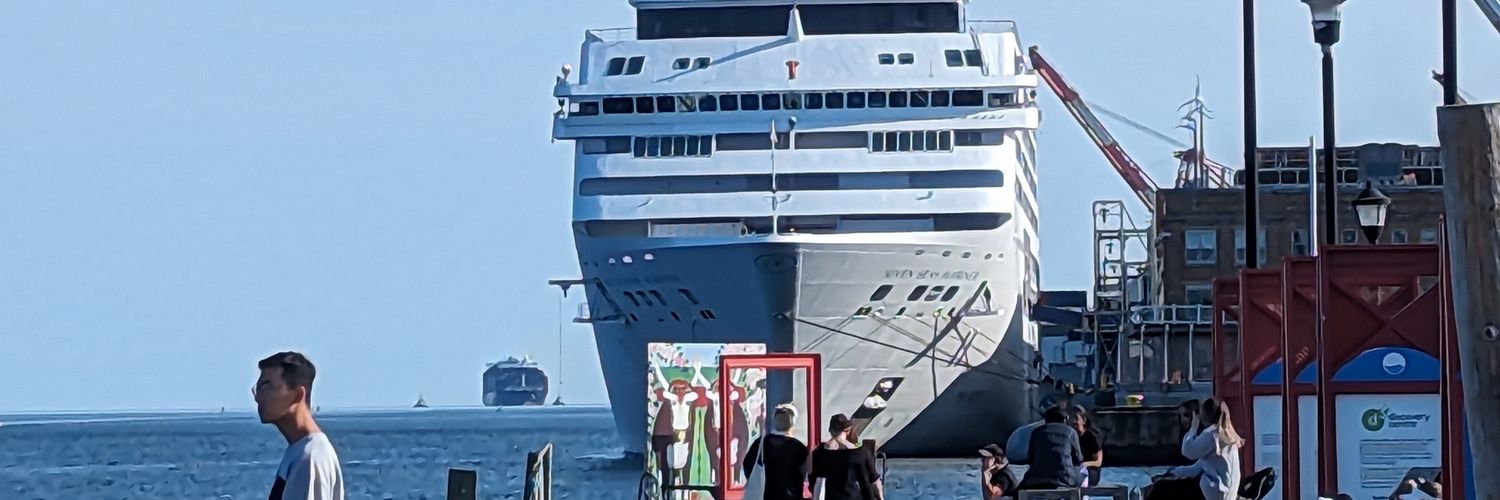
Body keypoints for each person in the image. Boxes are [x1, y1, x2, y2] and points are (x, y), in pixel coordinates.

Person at [254, 351, 345, 500]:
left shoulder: (311, 457)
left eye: (267, 387)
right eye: (258, 389)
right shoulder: (301, 451)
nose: (258, 398)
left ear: (297, 395)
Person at [1160, 398, 1243, 500]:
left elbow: (1187, 451)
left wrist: (1193, 427)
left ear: (1203, 416)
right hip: (1227, 494)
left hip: (1218, 493)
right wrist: (1171, 474)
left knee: (1179, 488)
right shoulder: (1225, 434)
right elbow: (1197, 467)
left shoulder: (1211, 435)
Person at [742, 404, 809, 500]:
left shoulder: (762, 443)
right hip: (791, 495)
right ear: (791, 423)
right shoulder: (798, 446)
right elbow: (803, 472)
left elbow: (748, 465)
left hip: (765, 494)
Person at [810, 414, 883, 500]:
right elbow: (874, 482)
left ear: (831, 431)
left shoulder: (819, 453)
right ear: (848, 430)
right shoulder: (860, 453)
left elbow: (813, 481)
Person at [1018, 406, 1083, 491]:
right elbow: (1078, 460)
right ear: (1065, 419)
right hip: (1065, 480)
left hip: (1036, 480)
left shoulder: (1036, 432)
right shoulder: (1071, 432)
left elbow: (1031, 457)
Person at [1067, 407, 1104, 487]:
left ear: (1083, 421)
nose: (1073, 422)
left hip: (1091, 471)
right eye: (1071, 418)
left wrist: (1083, 465)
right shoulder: (1069, 437)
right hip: (1075, 471)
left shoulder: (1092, 437)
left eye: (1076, 418)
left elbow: (1098, 462)